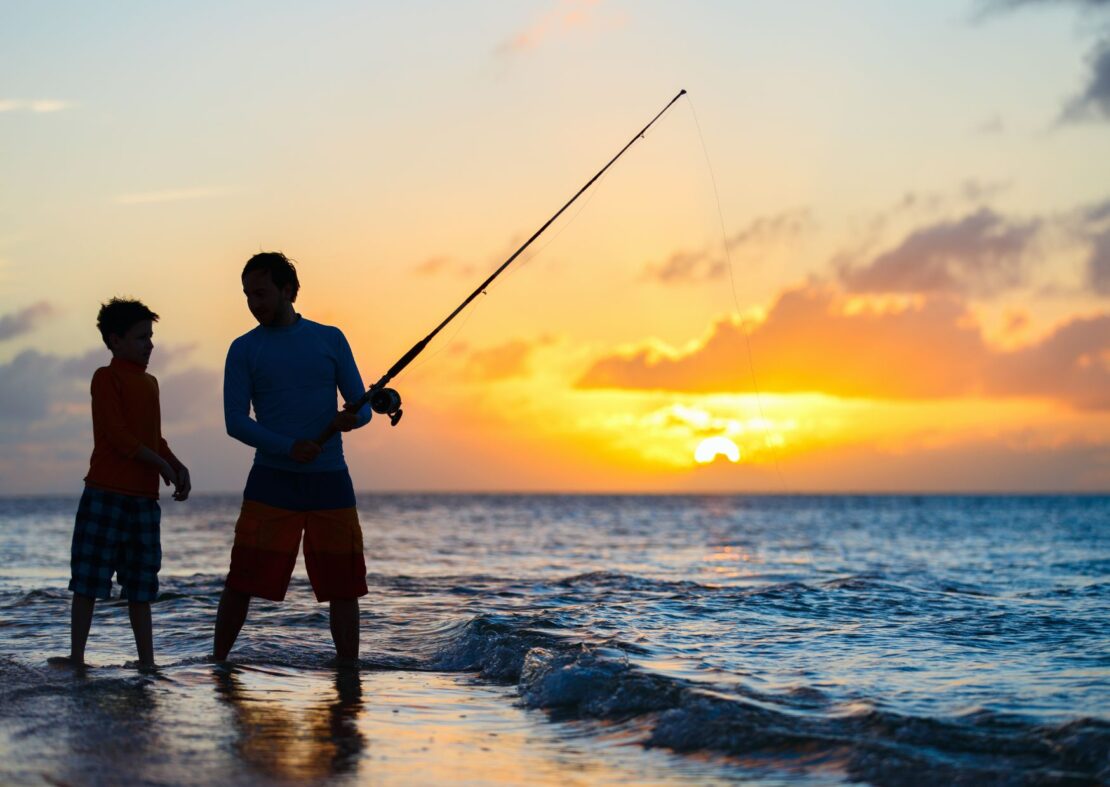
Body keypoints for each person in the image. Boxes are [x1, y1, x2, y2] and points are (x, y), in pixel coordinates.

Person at [213, 251, 372, 665]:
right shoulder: (244, 349)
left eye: (262, 293)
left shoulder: (330, 339)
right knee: (241, 581)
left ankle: (349, 674)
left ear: (289, 291)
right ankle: (217, 665)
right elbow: (235, 421)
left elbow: (364, 406)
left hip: (330, 480)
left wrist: (349, 420)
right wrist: (287, 446)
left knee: (344, 587)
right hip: (271, 479)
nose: (254, 303)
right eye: (248, 295)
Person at [56, 298, 191, 669]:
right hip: (105, 492)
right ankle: (78, 656)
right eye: (140, 337)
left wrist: (176, 465)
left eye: (150, 337)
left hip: (144, 500)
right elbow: (117, 435)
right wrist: (161, 462)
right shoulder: (106, 377)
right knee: (88, 579)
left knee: (141, 584)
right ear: (115, 341)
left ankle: (146, 659)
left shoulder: (151, 383)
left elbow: (152, 437)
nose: (149, 345)